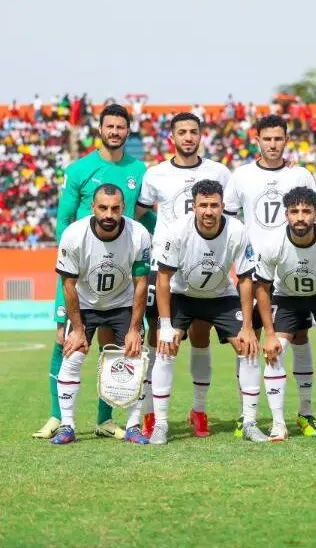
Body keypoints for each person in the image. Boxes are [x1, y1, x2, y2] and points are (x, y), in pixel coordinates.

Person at [33, 104, 156, 440]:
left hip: (121, 272)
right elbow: (62, 219)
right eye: (110, 126)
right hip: (80, 269)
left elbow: (144, 216)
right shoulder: (79, 170)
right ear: (99, 128)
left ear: (128, 131)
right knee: (65, 341)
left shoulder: (140, 170)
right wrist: (73, 256)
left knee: (115, 347)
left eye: (121, 127)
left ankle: (105, 419)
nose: (115, 131)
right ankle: (58, 417)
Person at [135, 112, 230, 439]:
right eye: (182, 132)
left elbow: (227, 218)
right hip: (165, 271)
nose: (188, 137)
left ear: (201, 135)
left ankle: (198, 411)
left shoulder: (219, 172)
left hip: (204, 269)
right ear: (171, 137)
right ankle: (151, 413)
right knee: (159, 340)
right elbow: (139, 214)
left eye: (193, 132)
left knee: (201, 339)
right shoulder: (156, 173)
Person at [223, 114, 316, 437]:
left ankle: (305, 412)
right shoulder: (242, 176)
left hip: (291, 271)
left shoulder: (301, 174)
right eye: (268, 139)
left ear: (286, 140)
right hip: (252, 272)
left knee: (301, 337)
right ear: (257, 140)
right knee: (247, 341)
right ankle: (246, 414)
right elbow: (229, 221)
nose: (273, 145)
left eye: (279, 139)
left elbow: (315, 216)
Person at [151, 180, 262, 444]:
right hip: (182, 296)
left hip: (220, 296)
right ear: (194, 207)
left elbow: (246, 279)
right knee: (165, 348)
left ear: (223, 206)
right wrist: (166, 325)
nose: (209, 211)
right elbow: (163, 278)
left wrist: (247, 326)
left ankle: (250, 422)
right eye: (203, 205)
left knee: (248, 347)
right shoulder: (177, 230)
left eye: (214, 205)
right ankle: (161, 424)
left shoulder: (237, 230)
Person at [50, 184, 151, 445]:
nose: (109, 214)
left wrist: (134, 329)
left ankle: (133, 426)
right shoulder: (74, 235)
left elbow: (141, 283)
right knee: (71, 358)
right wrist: (78, 329)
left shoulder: (138, 234)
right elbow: (68, 285)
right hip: (85, 305)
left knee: (135, 358)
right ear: (93, 207)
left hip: (122, 304)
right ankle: (67, 426)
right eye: (103, 208)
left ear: (123, 209)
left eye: (115, 208)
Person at [255, 187, 316, 442]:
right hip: (287, 298)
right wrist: (268, 334)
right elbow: (262, 289)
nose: (300, 217)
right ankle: (278, 424)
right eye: (294, 212)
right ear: (286, 215)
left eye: (306, 211)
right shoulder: (271, 243)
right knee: (274, 352)